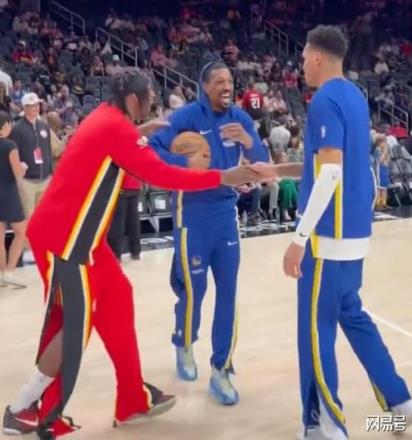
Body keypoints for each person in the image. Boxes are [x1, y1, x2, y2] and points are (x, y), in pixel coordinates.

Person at [2, 69, 260, 439]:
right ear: (134, 100)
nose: (152, 105)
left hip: (82, 239)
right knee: (74, 327)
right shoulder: (116, 129)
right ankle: (21, 408)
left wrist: (140, 132)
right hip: (64, 240)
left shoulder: (107, 118)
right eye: (149, 99)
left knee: (118, 296)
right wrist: (221, 176)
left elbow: (112, 146)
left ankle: (132, 398)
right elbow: (163, 174)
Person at [254, 26, 412, 440]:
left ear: (316, 57)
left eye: (302, 59)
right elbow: (333, 165)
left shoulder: (325, 100)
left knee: (315, 332)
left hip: (326, 237)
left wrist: (298, 239)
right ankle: (400, 401)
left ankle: (326, 426)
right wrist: (277, 170)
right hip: (354, 233)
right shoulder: (355, 97)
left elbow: (329, 173)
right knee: (353, 317)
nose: (301, 66)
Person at [149, 61, 269, 405]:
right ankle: (184, 341)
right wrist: (185, 164)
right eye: (219, 81)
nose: (227, 86)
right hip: (192, 212)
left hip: (226, 214)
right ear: (205, 86)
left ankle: (221, 369)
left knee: (228, 293)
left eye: (230, 81)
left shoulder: (240, 119)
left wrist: (248, 141)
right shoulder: (185, 117)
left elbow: (262, 165)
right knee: (194, 289)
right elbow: (153, 150)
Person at [9, 93, 52, 221]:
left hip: (45, 179)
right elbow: (13, 152)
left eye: (37, 104)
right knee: (28, 218)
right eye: (32, 105)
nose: (36, 108)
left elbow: (48, 149)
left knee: (42, 217)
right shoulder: (17, 129)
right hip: (27, 181)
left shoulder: (43, 125)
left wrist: (50, 172)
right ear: (25, 108)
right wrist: (19, 169)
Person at [0, 111, 28, 288]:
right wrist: (23, 167)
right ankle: (9, 271)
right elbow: (17, 172)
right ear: (6, 125)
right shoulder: (10, 145)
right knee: (20, 232)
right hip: (8, 193)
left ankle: (1, 273)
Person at [107, 173, 142, 261]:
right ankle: (135, 252)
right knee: (133, 221)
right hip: (135, 185)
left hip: (121, 185)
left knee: (117, 222)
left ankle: (116, 254)